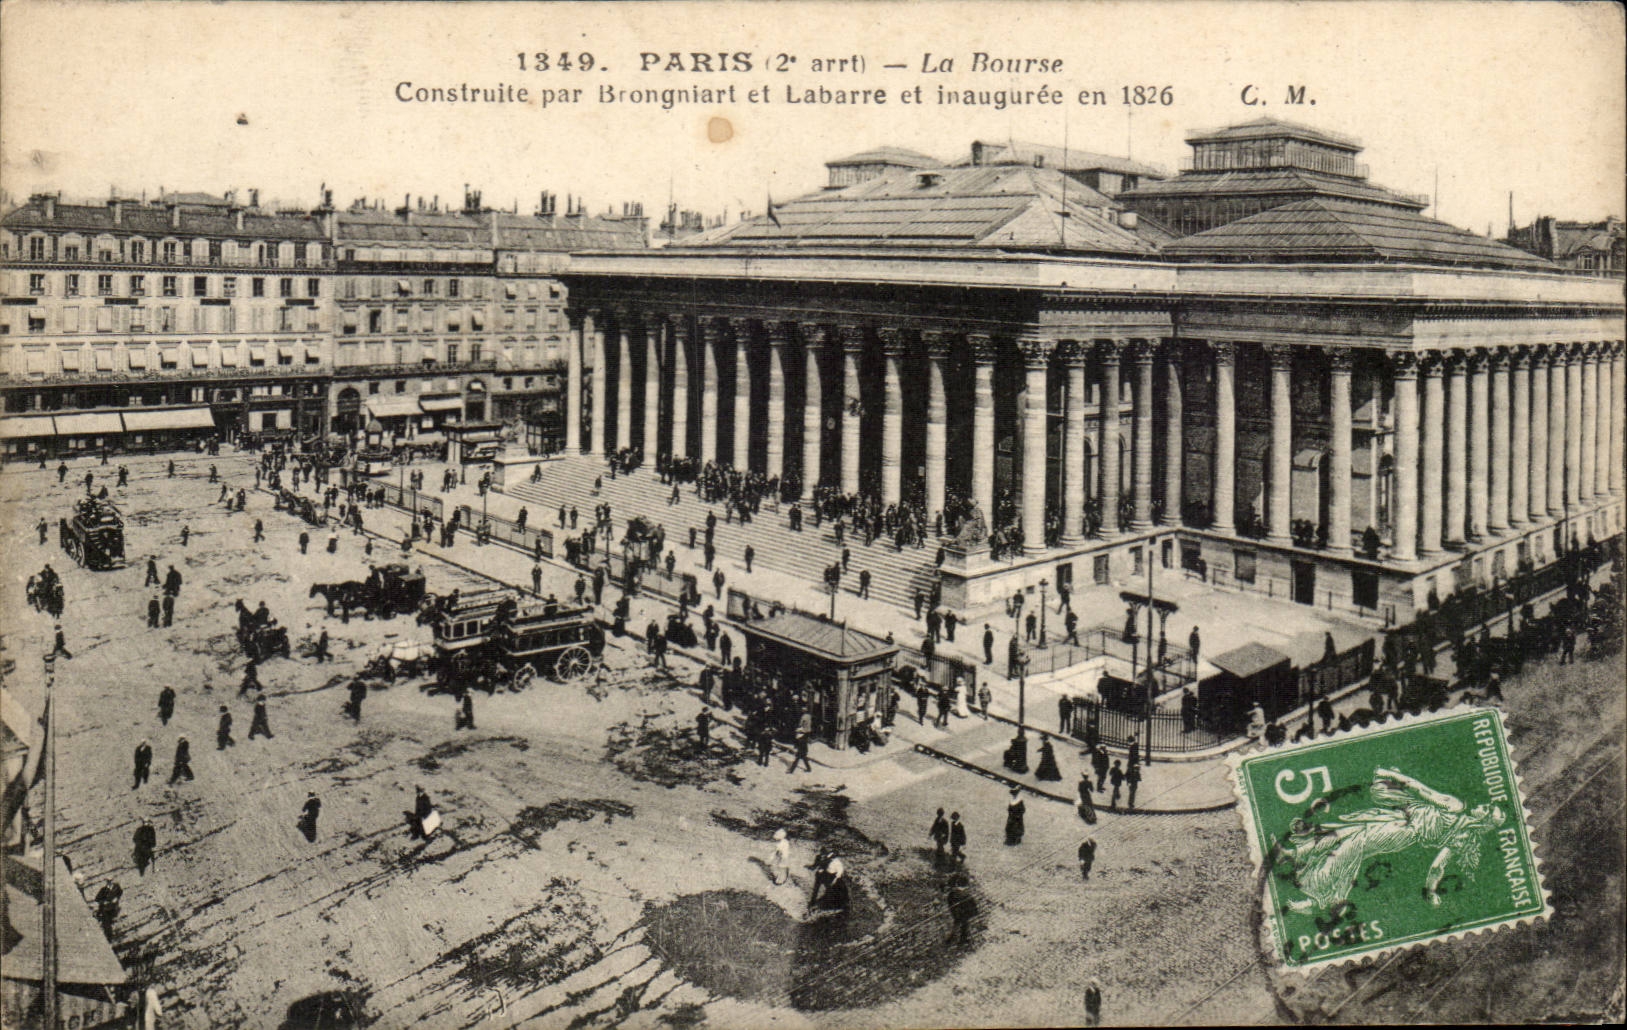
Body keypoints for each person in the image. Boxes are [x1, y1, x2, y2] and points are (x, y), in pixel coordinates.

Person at [1277, 768, 1507, 915]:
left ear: (1484, 820)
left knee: (1351, 845)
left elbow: (1421, 790)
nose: (1481, 806)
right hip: (1399, 817)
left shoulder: (1457, 809)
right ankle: (1297, 854)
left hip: (1403, 830)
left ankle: (1315, 897)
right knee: (1348, 831)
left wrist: (1393, 775)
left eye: (1486, 809)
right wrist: (1430, 891)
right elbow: (1438, 866)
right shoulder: (1463, 837)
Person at [943, 871, 977, 946]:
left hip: (964, 908)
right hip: (957, 908)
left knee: (963, 922)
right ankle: (954, 938)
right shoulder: (952, 894)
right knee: (959, 922)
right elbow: (951, 902)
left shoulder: (965, 894)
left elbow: (971, 903)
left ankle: (962, 938)